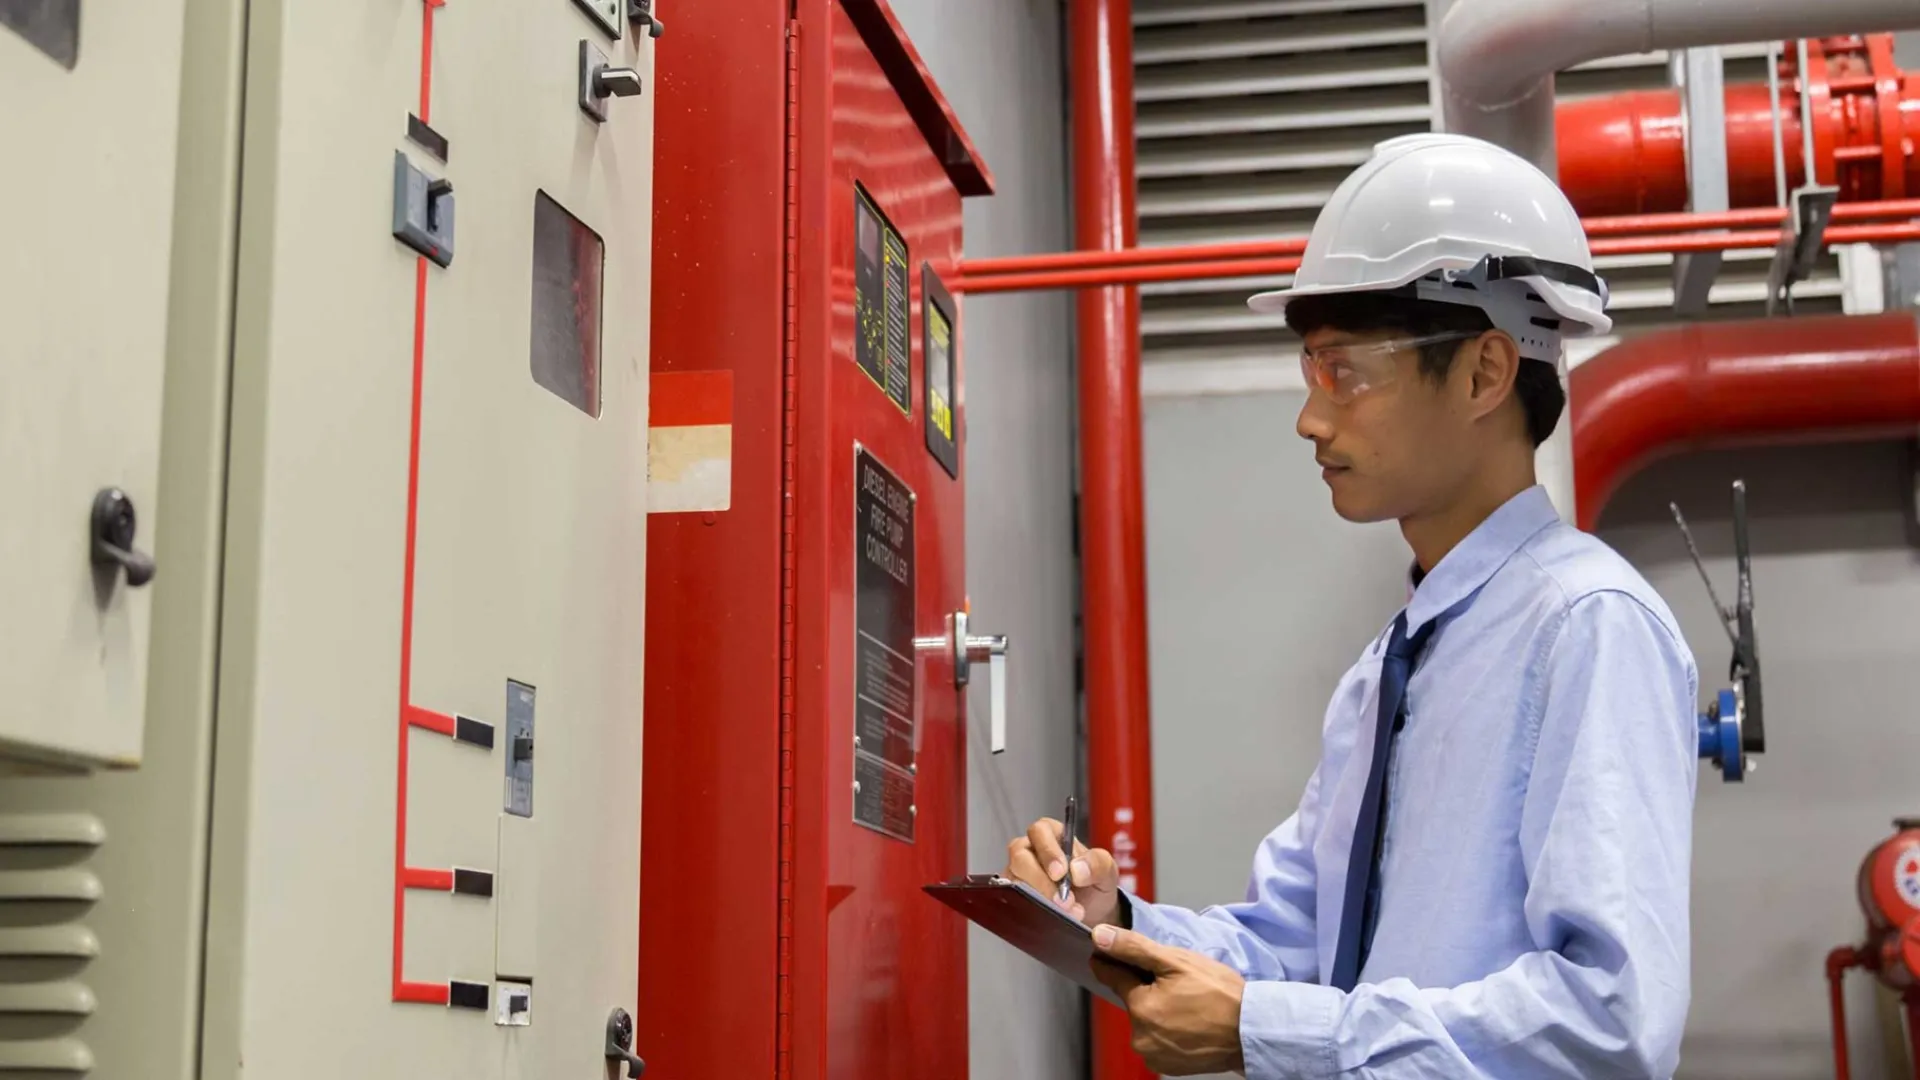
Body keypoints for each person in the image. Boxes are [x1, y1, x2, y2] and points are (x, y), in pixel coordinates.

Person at [1004, 133, 1700, 1078]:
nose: (1310, 417)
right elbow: (1299, 945)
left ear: (1485, 374)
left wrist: (1272, 1030)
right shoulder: (1392, 668)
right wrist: (1114, 925)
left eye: (1347, 371)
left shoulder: (1589, 628)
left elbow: (1607, 1024)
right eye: (1309, 371)